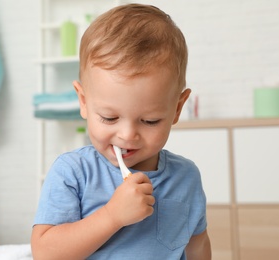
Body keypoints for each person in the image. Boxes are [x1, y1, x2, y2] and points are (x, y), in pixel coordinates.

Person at [31, 3, 211, 260]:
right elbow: (45, 253)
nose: (127, 135)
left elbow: (197, 244)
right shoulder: (73, 172)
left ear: (177, 108)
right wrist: (111, 216)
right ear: (83, 101)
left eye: (149, 121)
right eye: (109, 117)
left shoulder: (186, 177)